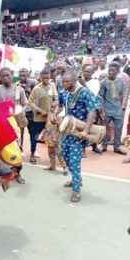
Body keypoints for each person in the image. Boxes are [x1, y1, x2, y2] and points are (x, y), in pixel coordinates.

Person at [55, 71, 97, 203]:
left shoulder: (84, 92)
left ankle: (76, 190)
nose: (64, 83)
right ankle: (76, 178)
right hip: (67, 130)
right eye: (63, 81)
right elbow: (60, 105)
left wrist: (85, 131)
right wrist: (55, 114)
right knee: (65, 155)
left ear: (74, 81)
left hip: (78, 132)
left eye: (67, 81)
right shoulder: (64, 92)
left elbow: (92, 111)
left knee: (74, 160)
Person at [28, 68, 56, 164]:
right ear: (40, 77)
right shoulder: (36, 89)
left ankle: (52, 159)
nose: (46, 80)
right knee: (35, 137)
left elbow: (56, 99)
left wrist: (53, 110)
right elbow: (30, 102)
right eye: (44, 78)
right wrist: (40, 111)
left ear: (50, 77)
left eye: (47, 78)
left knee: (51, 137)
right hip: (38, 118)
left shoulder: (53, 86)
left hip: (50, 119)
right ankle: (32, 153)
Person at [99, 62, 127, 155]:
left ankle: (117, 146)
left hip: (117, 109)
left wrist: (121, 105)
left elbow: (122, 94)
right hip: (107, 109)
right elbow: (102, 97)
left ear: (117, 72)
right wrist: (102, 110)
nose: (110, 72)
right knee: (105, 128)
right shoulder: (103, 82)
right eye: (109, 71)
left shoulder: (120, 81)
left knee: (118, 128)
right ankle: (104, 145)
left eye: (113, 71)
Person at [80, 64, 103, 155]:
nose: (86, 73)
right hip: (82, 108)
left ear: (92, 73)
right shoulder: (79, 82)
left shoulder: (95, 82)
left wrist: (84, 84)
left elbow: (92, 94)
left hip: (93, 109)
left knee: (94, 127)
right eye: (85, 71)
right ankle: (83, 149)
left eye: (88, 72)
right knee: (83, 127)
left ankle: (94, 146)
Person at [17, 68, 37, 151]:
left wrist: (30, 91)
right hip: (20, 112)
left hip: (30, 111)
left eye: (24, 75)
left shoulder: (33, 83)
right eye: (20, 75)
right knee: (19, 132)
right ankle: (20, 148)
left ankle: (33, 150)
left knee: (32, 132)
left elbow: (38, 95)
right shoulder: (16, 85)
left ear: (27, 75)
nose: (22, 77)